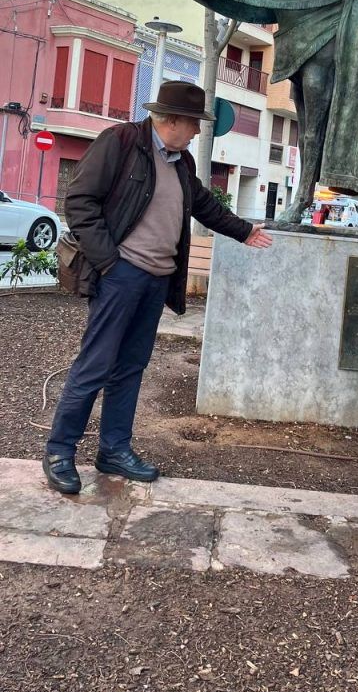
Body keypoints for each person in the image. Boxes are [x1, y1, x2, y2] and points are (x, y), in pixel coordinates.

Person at [43, 81, 272, 496]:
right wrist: (109, 262)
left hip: (155, 280)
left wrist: (243, 231)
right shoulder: (121, 142)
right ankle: (60, 451)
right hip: (120, 275)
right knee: (95, 365)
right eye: (194, 123)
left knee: (131, 367)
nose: (198, 131)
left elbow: (203, 204)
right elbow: (79, 202)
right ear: (172, 120)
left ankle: (114, 449)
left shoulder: (182, 161)